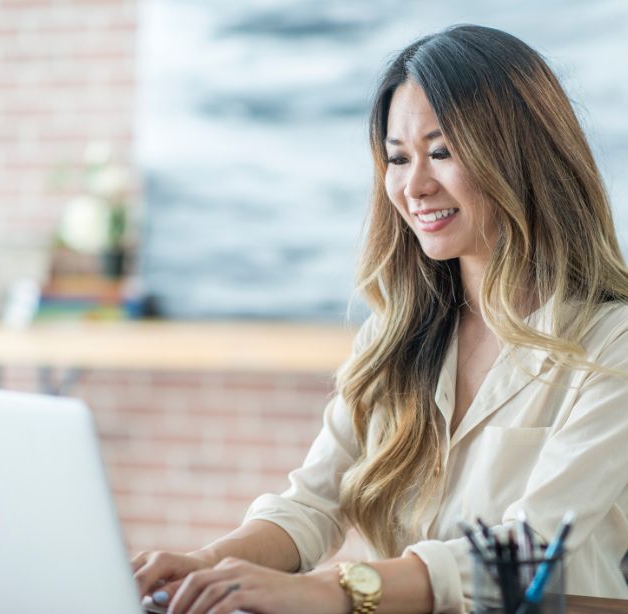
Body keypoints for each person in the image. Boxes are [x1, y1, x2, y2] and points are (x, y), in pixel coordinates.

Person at [132, 24, 628, 613]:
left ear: (519, 156)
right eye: (398, 158)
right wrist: (211, 564)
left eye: (440, 152)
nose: (413, 185)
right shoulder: (392, 341)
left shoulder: (610, 343)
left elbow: (529, 547)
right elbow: (313, 503)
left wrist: (337, 590)